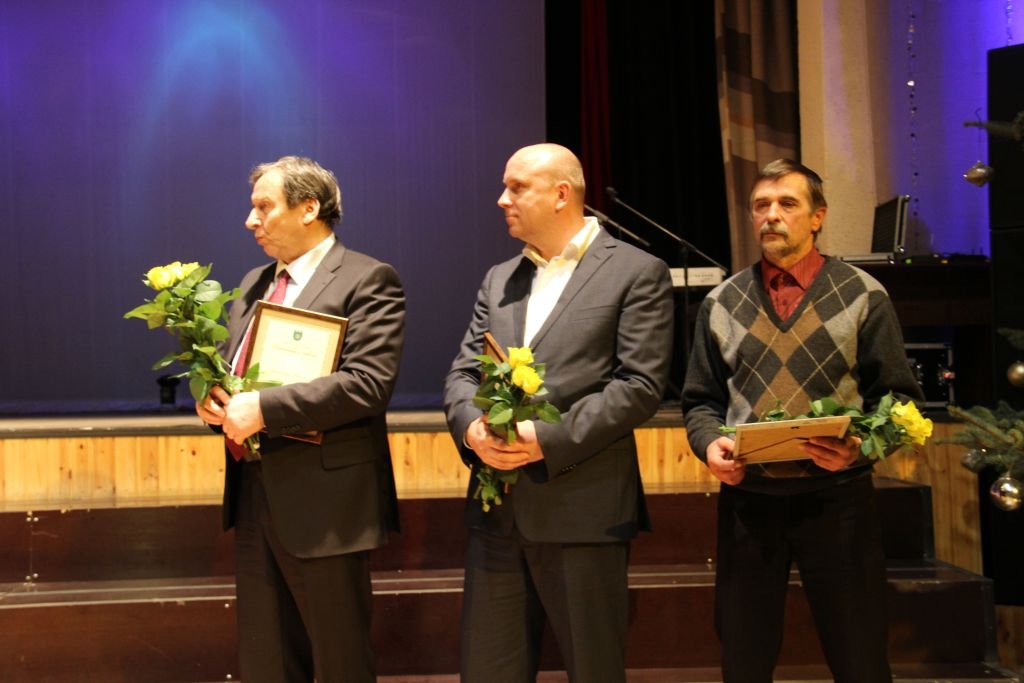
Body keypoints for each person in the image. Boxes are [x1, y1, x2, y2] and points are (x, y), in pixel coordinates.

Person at [680, 158, 925, 682]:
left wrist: (860, 447)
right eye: (761, 206)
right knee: (744, 660)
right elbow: (699, 402)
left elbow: (900, 401)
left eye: (787, 204)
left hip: (838, 502)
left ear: (818, 217)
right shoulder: (720, 302)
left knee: (859, 657)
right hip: (749, 503)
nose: (771, 215)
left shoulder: (862, 294)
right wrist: (708, 447)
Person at [443, 143, 675, 682]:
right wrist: (473, 430)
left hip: (584, 511)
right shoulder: (500, 278)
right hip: (497, 515)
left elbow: (639, 385)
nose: (502, 199)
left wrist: (545, 438)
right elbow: (461, 375)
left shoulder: (637, 271)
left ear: (561, 194)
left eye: (517, 187)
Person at [196, 155, 405, 683]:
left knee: (340, 662)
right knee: (266, 661)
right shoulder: (253, 281)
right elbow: (235, 371)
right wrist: (213, 397)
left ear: (309, 208)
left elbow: (368, 384)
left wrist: (263, 409)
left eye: (264, 207)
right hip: (256, 492)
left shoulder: (367, 279)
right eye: (252, 208)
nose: (251, 220)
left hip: (327, 506)